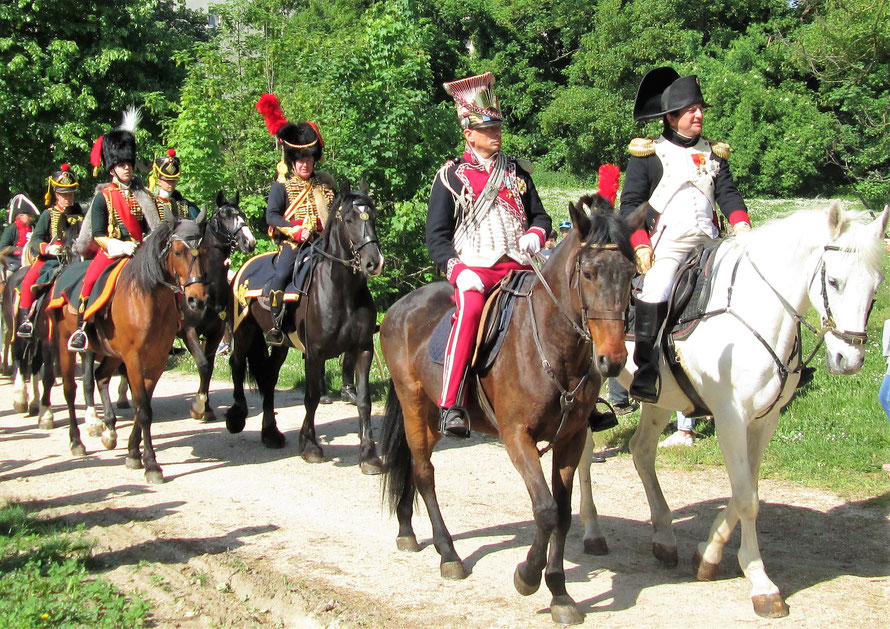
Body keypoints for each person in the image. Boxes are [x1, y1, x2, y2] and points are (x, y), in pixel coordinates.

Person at [426, 72, 551, 438]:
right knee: (470, 311)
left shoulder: (516, 170)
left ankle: (581, 401)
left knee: (567, 300)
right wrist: (457, 270)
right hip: (477, 269)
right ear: (469, 133)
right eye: (488, 128)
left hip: (524, 264)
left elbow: (540, 215)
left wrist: (535, 233)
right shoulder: (451, 176)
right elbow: (437, 238)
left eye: (498, 127)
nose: (496, 134)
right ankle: (451, 403)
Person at [620, 67, 751, 403]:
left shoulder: (713, 153)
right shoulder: (648, 154)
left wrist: (742, 226)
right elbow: (630, 205)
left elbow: (728, 194)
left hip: (711, 243)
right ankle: (647, 370)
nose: (699, 115)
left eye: (700, 109)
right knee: (657, 285)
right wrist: (640, 245)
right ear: (672, 116)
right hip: (669, 246)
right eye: (692, 110)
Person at [67, 108, 162, 352]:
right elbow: (98, 233)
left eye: (129, 163)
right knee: (90, 281)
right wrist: (118, 245)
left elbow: (152, 226)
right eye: (121, 164)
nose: (127, 168)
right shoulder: (103, 197)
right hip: (111, 251)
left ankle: (173, 328)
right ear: (112, 169)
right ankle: (81, 328)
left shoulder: (144, 196)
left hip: (141, 252)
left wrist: (150, 241)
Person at [255, 93, 336, 346]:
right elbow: (272, 216)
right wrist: (294, 230)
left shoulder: (325, 184)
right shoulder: (283, 185)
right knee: (282, 275)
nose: (305, 164)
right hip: (295, 244)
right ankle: (277, 326)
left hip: (323, 242)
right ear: (292, 161)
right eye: (301, 159)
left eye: (309, 159)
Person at [16, 164, 84, 338]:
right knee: (30, 278)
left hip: (77, 257)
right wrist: (48, 248)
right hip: (52, 258)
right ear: (56, 194)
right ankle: (26, 321)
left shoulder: (80, 214)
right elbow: (36, 239)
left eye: (70, 193)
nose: (67, 197)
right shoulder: (48, 214)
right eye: (63, 193)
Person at [149, 149, 200, 221]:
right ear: (159, 181)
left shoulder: (187, 206)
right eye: (168, 180)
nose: (171, 183)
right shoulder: (152, 204)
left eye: (173, 180)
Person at [0, 196, 39, 275]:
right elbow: (3, 248)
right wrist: (22, 250)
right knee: (9, 274)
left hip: (32, 260)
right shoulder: (11, 229)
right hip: (13, 262)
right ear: (20, 216)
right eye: (29, 215)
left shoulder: (34, 228)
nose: (31, 218)